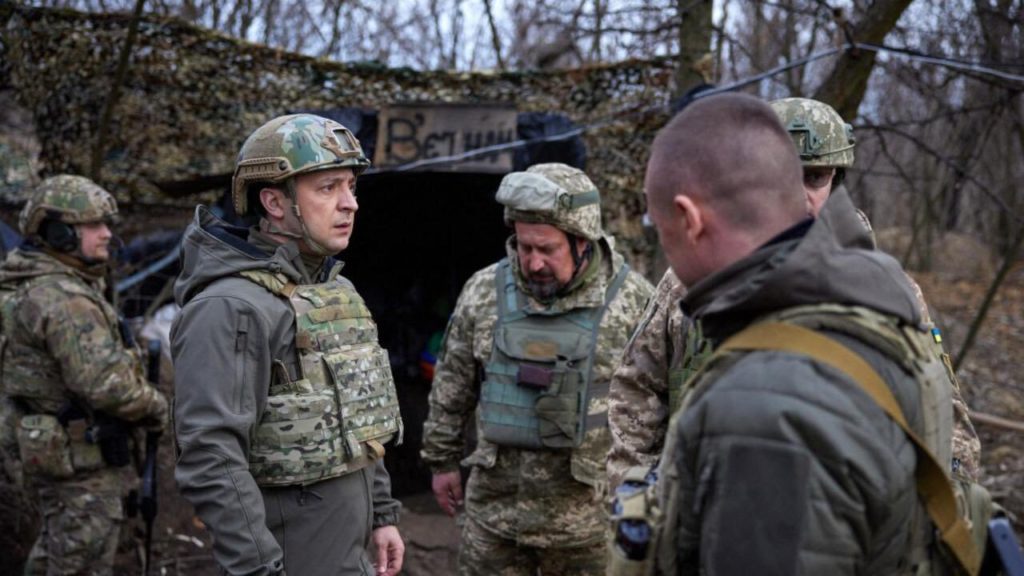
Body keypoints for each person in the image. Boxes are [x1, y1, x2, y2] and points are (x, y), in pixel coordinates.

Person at [639, 92, 975, 574]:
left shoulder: (762, 404)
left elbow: (947, 446)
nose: (802, 194)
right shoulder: (878, 294)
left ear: (690, 219)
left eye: (816, 176)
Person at [171, 113, 404, 576]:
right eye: (327, 188)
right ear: (275, 202)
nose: (349, 204)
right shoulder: (231, 307)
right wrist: (258, 568)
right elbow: (211, 455)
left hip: (349, 553)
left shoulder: (334, 292)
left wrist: (381, 514)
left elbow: (356, 419)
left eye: (351, 187)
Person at [420, 163, 653, 575]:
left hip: (589, 524)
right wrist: (441, 462)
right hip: (495, 517)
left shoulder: (633, 302)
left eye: (548, 249)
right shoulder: (483, 291)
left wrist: (644, 497)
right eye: (524, 247)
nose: (533, 262)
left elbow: (659, 402)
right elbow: (453, 383)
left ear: (583, 241)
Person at [0, 174, 169, 575]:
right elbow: (107, 385)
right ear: (57, 233)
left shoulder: (27, 281)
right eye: (93, 225)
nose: (107, 234)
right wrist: (157, 406)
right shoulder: (66, 301)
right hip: (80, 460)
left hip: (46, 446)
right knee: (82, 556)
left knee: (55, 554)